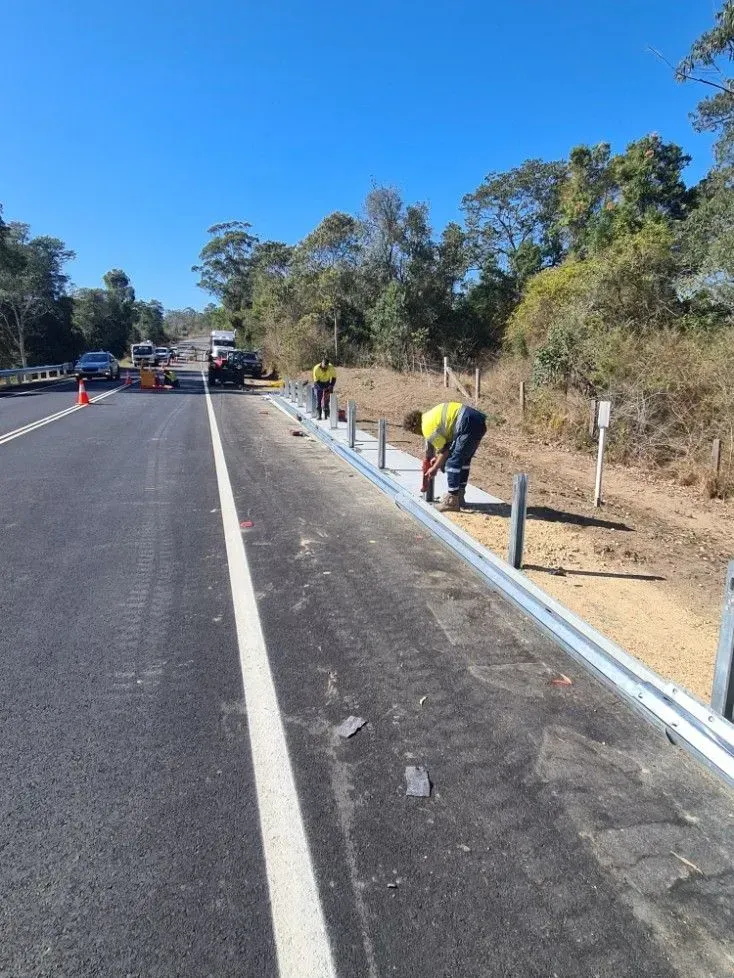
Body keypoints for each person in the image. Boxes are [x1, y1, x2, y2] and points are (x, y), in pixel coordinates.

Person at [403, 401, 487, 512]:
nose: (418, 434)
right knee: (463, 461)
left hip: (466, 422)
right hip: (477, 420)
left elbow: (445, 451)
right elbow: (447, 444)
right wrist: (438, 459)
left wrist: (435, 467)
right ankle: (459, 497)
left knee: (452, 463)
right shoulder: (429, 416)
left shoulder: (426, 428)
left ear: (414, 428)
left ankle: (452, 501)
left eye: (414, 433)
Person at [312, 356, 337, 420]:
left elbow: (334, 377)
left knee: (327, 399)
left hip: (327, 382)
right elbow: (316, 381)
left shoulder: (331, 367)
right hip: (318, 383)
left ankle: (326, 413)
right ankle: (319, 414)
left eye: (326, 367)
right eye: (324, 367)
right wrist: (323, 388)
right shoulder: (316, 368)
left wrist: (331, 385)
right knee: (318, 399)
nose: (325, 368)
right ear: (321, 363)